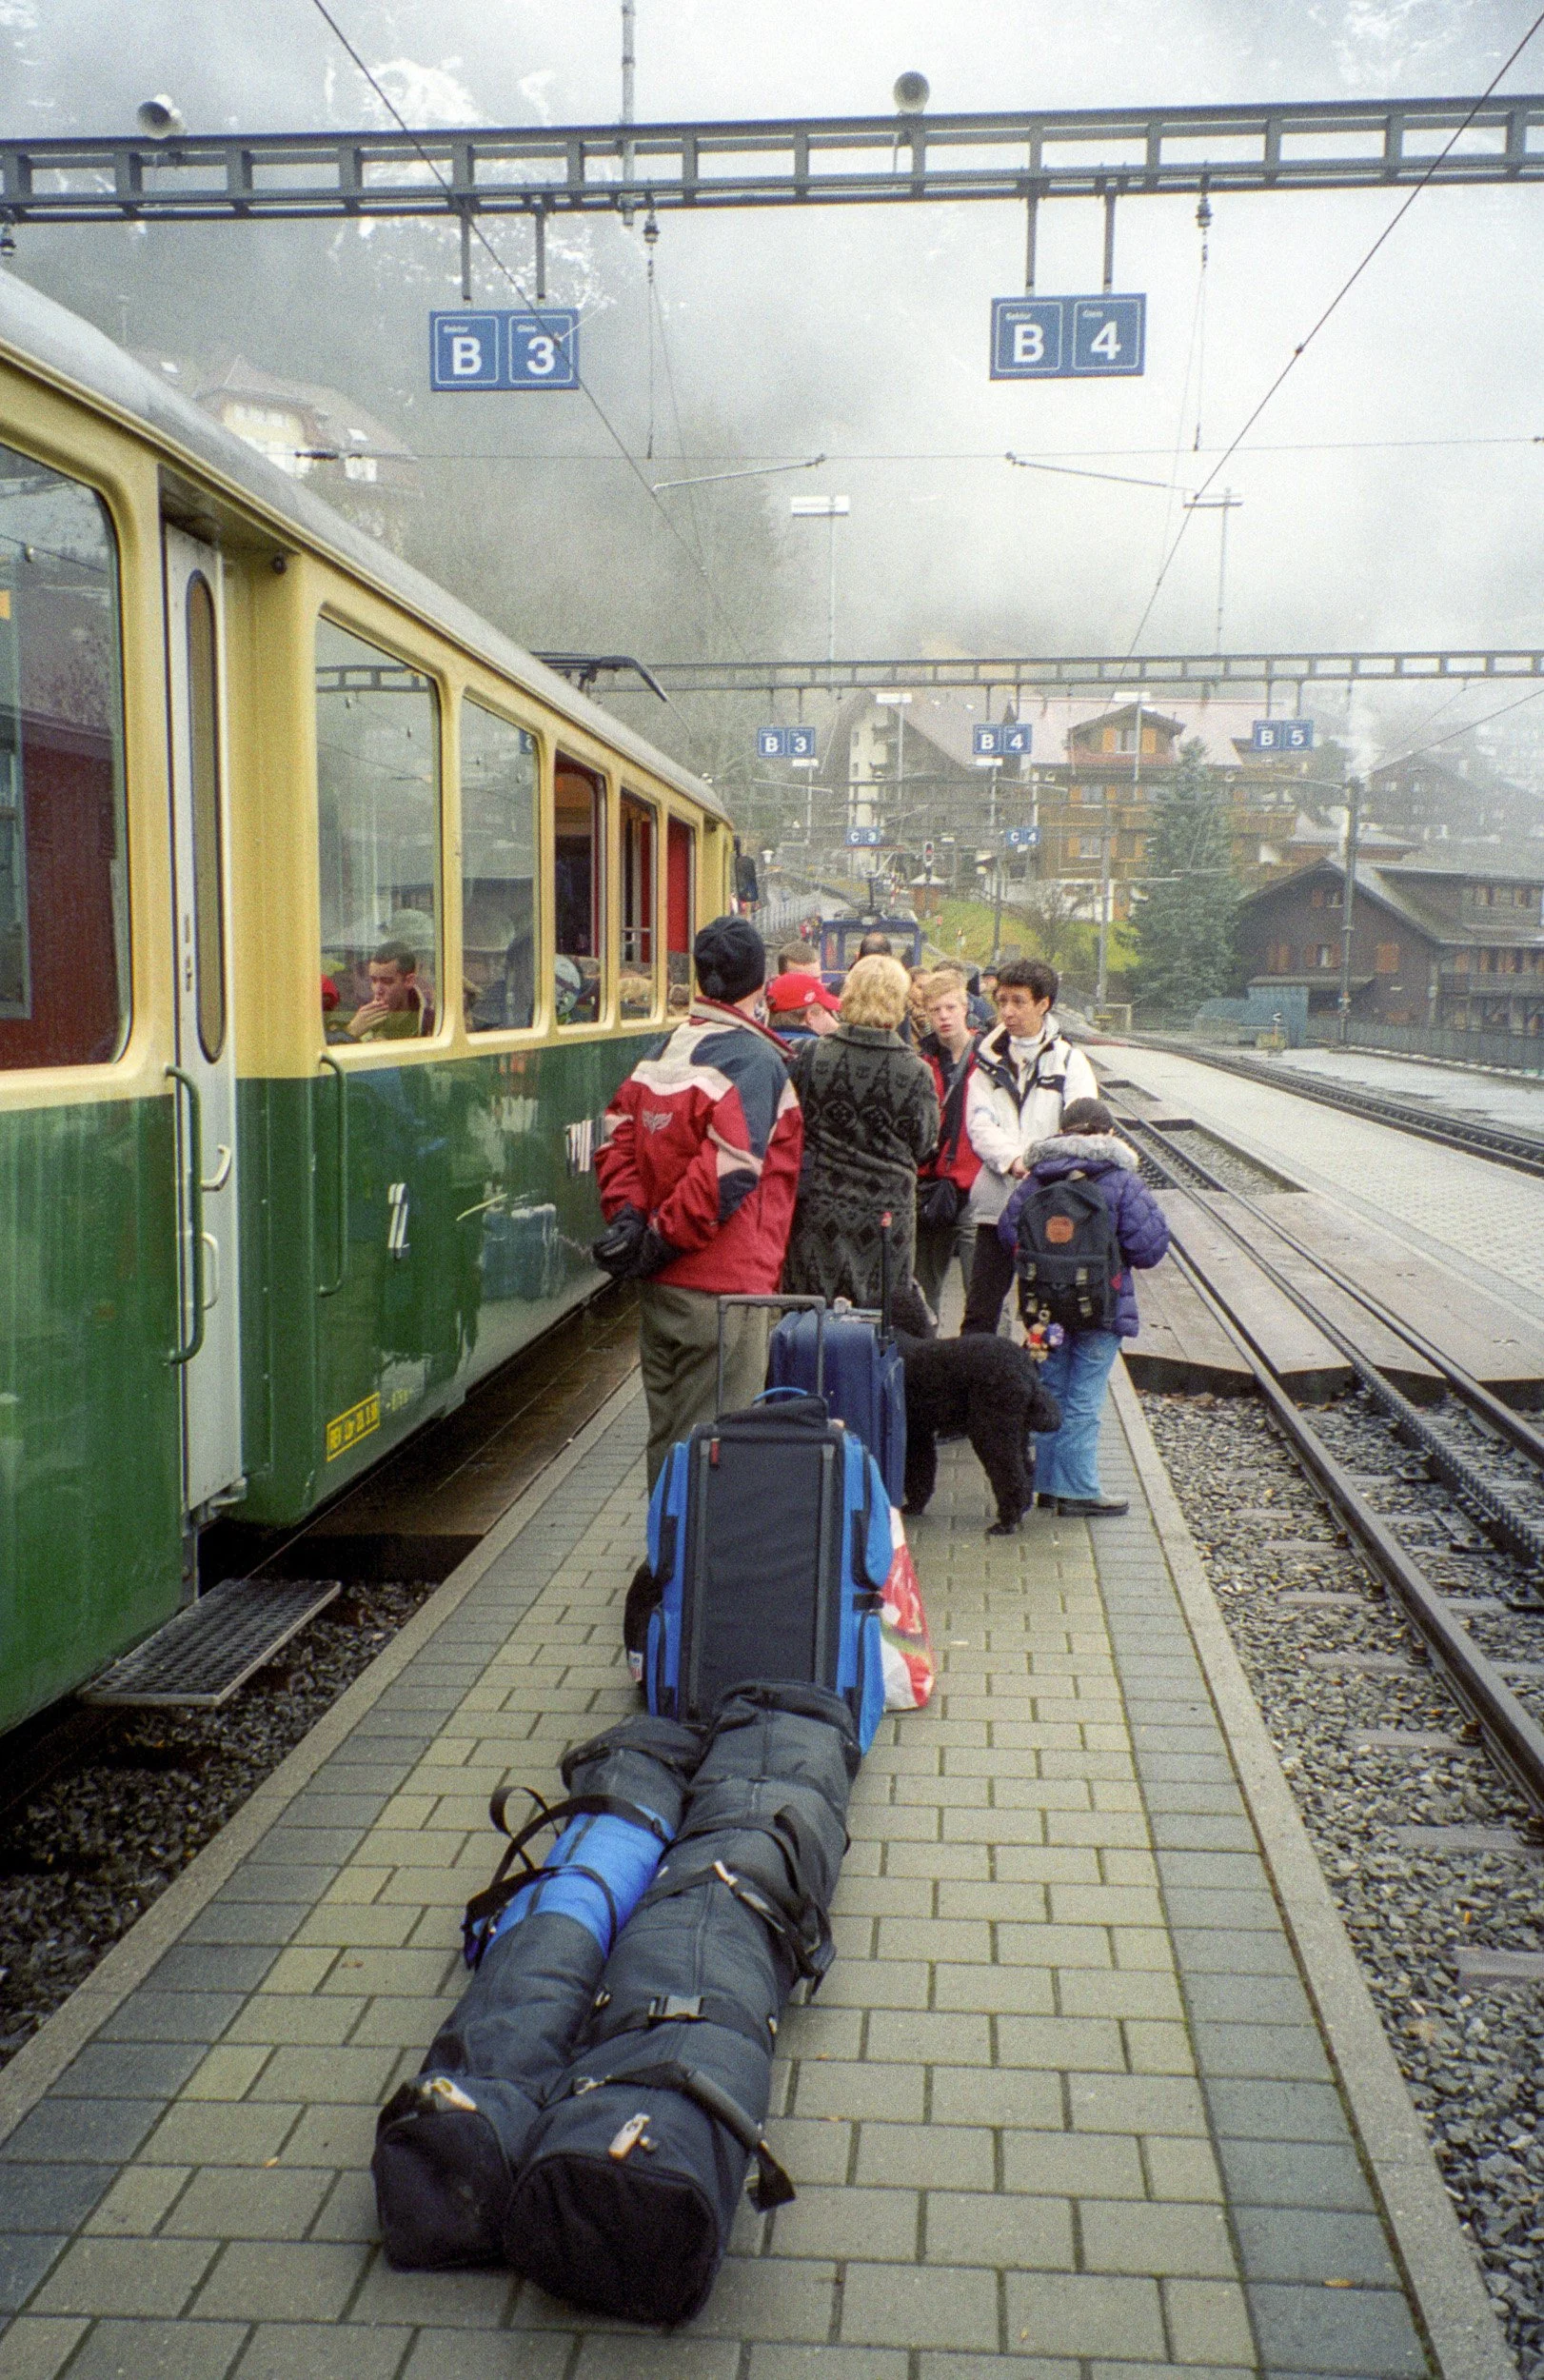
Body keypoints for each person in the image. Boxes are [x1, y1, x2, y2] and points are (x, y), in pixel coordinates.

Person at [594, 917, 802, 1486]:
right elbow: (730, 1173)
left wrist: (631, 1218)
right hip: (724, 1292)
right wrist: (657, 1238)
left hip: (665, 1294)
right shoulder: (754, 1063)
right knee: (718, 1447)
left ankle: (665, 1558)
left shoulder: (663, 1051)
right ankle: (688, 1571)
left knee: (670, 1434)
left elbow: (616, 1138)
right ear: (760, 986)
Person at [997, 1098, 1170, 1516]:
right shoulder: (1122, 1180)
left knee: (1048, 1387)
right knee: (1084, 1398)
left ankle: (1046, 1485)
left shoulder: (1036, 1178)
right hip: (1101, 1309)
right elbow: (1149, 1249)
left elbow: (1007, 1234)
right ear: (1108, 1134)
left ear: (1063, 1131)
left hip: (1042, 1312)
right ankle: (1077, 1490)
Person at [781, 954, 939, 1311]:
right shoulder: (916, 1072)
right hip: (887, 1217)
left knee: (812, 1319)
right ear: (898, 1002)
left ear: (849, 995)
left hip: (820, 1209)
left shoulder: (809, 1056)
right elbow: (925, 1142)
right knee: (880, 1324)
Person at [960, 958, 1098, 1336]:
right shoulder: (986, 1061)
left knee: (1045, 1313)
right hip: (997, 1205)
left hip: (1052, 1203)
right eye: (1002, 1001)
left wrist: (1040, 1163)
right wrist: (1013, 1159)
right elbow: (980, 1124)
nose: (1007, 1011)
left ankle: (1038, 1386)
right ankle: (977, 1385)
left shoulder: (1071, 1062)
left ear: (1043, 1004)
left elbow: (1081, 1128)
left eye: (1018, 1002)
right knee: (980, 1311)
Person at [914, 972, 981, 1315]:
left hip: (976, 1186)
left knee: (982, 1295)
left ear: (965, 1008)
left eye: (950, 1007)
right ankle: (927, 1361)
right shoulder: (922, 1060)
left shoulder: (987, 1058)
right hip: (932, 1184)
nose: (943, 1016)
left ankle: (986, 1366)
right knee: (925, 1293)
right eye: (935, 1009)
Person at [344, 942, 434, 1041]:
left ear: (409, 981)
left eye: (387, 982)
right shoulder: (357, 1014)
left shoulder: (430, 1021)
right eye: (373, 980)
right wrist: (350, 1033)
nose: (378, 990)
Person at [765, 968, 841, 1043]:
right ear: (810, 1016)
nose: (830, 1017)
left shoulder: (760, 1047)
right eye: (826, 1011)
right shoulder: (818, 1053)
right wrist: (839, 1031)